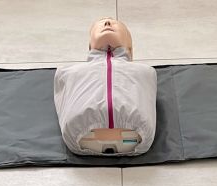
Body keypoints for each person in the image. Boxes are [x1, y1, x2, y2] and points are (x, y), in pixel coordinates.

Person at [53, 18, 157, 155]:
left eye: (115, 24)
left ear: (130, 48)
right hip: (80, 131)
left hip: (81, 135)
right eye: (101, 24)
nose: (107, 23)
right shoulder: (67, 72)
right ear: (90, 46)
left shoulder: (145, 72)